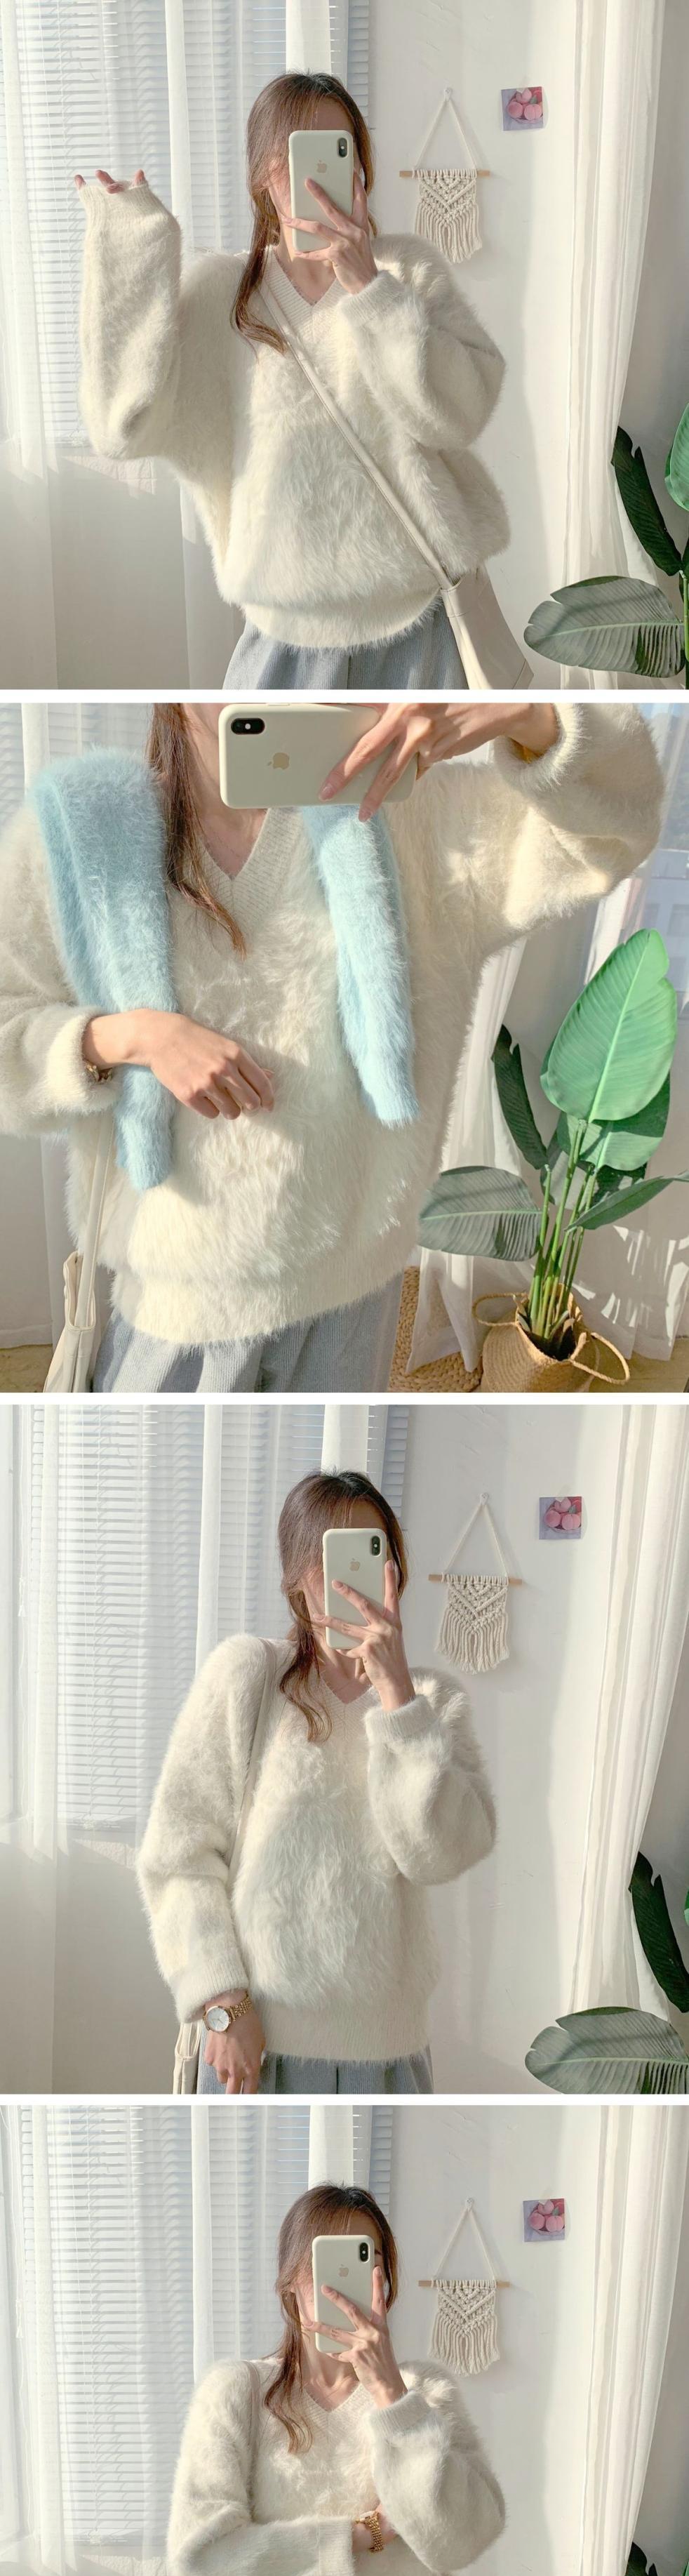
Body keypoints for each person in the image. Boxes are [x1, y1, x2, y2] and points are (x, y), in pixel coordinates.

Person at [0, 699, 663, 1395]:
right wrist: (132, 1036)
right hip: (184, 1305)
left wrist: (528, 718)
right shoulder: (83, 831)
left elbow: (617, 825)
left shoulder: (410, 818)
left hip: (353, 1294)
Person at [74, 68, 509, 689]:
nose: (318, 177)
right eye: (299, 154)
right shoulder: (222, 294)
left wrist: (371, 291)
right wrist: (134, 247)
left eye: (338, 151)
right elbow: (124, 425)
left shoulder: (404, 270)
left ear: (360, 167)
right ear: (263, 174)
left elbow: (460, 413)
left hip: (423, 626)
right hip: (287, 638)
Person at [138, 1468, 495, 2096]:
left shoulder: (433, 1702)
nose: (354, 1579)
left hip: (388, 2058)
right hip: (253, 2045)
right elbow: (179, 1855)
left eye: (373, 1553)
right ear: (300, 1579)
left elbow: (439, 1855)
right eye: (334, 1557)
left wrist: (398, 1701)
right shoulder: (249, 1677)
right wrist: (223, 2004)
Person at [168, 2179, 505, 2576]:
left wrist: (391, 2396)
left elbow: (460, 2538)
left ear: (386, 2281)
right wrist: (360, 2534)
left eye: (367, 2259)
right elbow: (204, 2558)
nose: (348, 2284)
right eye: (328, 2260)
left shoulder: (422, 2392)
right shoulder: (238, 2393)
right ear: (292, 2283)